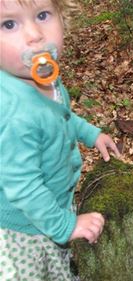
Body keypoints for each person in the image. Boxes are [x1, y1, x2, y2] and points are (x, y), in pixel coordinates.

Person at [0, 0, 121, 280]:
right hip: (20, 231)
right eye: (9, 24)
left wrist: (91, 134)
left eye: (43, 15)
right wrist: (66, 227)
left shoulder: (45, 80)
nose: (34, 34)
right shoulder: (13, 113)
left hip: (51, 207)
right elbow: (24, 187)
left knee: (57, 266)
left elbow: (61, 116)